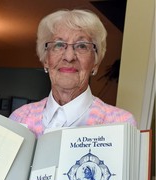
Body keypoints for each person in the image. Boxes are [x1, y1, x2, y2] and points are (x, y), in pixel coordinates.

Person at [9, 9, 136, 138]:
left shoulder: (121, 123)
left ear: (95, 62)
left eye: (81, 46)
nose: (69, 57)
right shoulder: (20, 118)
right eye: (59, 45)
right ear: (46, 60)